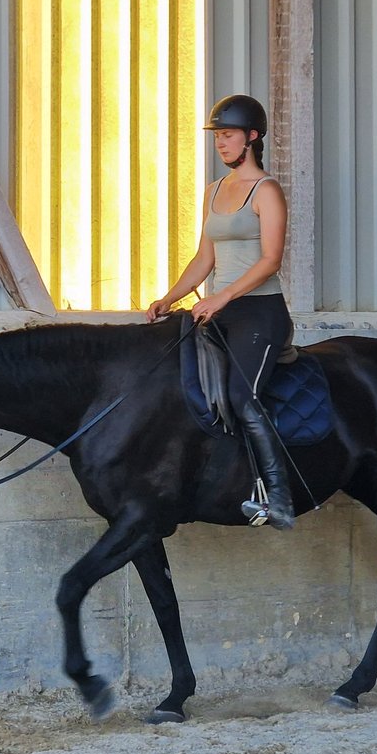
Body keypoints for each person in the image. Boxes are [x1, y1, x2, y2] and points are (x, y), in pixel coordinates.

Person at [146, 94, 295, 530]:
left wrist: (221, 298)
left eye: (228, 136)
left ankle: (280, 499)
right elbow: (203, 259)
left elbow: (271, 259)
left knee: (242, 398)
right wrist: (171, 297)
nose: (221, 144)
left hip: (259, 313)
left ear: (252, 137)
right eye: (218, 138)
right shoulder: (214, 191)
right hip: (218, 311)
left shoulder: (265, 190)